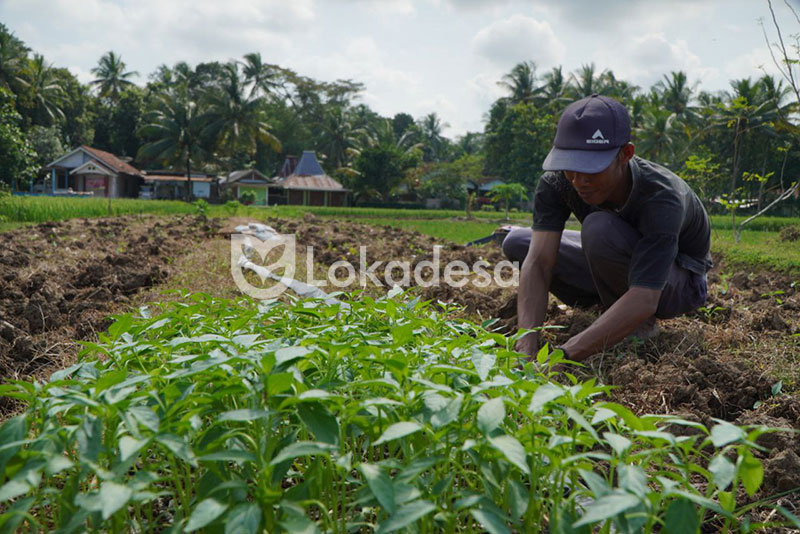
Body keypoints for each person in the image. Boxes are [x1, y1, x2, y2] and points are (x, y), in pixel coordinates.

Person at [503, 94, 711, 364]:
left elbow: (646, 296)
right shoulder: (557, 183)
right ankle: (610, 308)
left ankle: (638, 326)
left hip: (676, 282)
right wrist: (526, 346)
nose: (579, 181)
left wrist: (565, 355)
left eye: (591, 169)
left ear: (625, 154)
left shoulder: (661, 197)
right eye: (570, 168)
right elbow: (540, 261)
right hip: (617, 260)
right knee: (517, 241)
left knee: (598, 228)